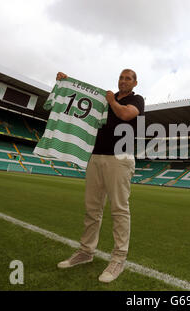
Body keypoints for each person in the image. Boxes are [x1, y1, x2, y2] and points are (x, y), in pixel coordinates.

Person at [57, 69, 145, 283]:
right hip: (95, 156)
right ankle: (86, 252)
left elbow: (125, 114)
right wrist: (66, 82)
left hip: (120, 158)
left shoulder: (136, 99)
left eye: (128, 78)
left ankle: (118, 259)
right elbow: (82, 101)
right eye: (121, 77)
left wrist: (110, 101)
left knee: (119, 210)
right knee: (92, 209)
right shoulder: (106, 98)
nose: (123, 81)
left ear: (135, 83)